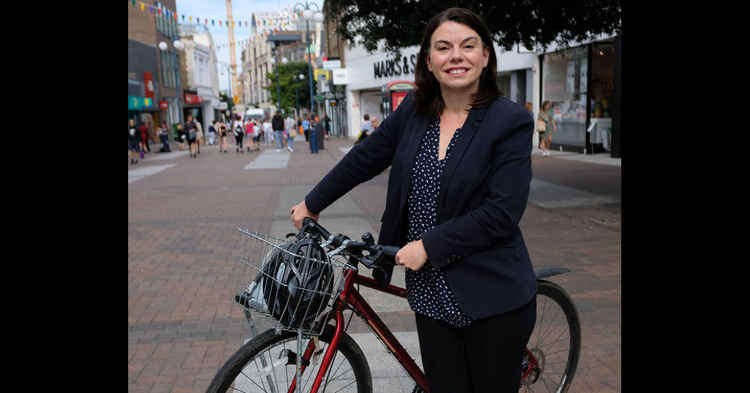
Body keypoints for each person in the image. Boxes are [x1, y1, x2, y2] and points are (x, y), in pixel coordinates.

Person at [289, 8, 536, 393]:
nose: (456, 56)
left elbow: (501, 213)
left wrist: (429, 246)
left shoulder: (508, 121)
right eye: (443, 47)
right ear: (428, 60)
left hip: (491, 294)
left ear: (485, 56)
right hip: (428, 291)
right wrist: (313, 201)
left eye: (468, 46)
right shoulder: (416, 111)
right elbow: (366, 157)